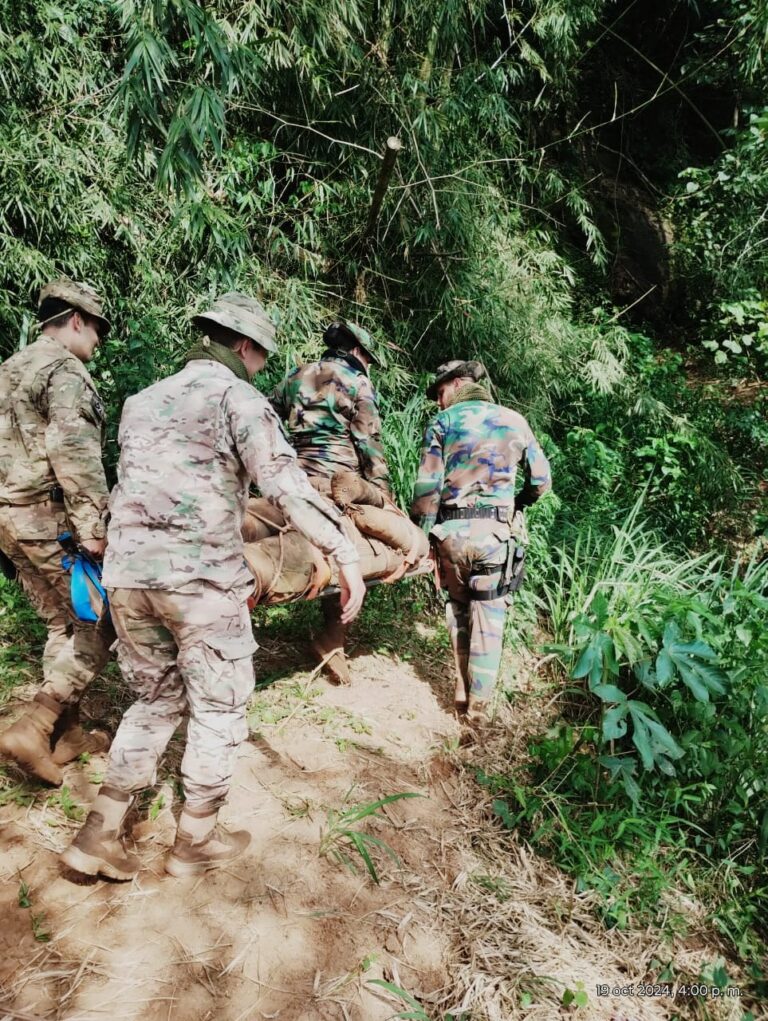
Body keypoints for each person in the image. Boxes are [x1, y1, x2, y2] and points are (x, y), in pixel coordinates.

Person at [61, 293, 366, 882]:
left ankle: (99, 832)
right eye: (260, 358)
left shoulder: (141, 401)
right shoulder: (237, 397)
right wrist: (343, 553)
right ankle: (195, 839)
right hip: (198, 582)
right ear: (245, 346)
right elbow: (286, 485)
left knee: (156, 699)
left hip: (128, 578)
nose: (260, 369)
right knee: (220, 706)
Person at [0, 279, 113, 785]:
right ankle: (36, 724)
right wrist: (94, 528)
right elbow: (75, 453)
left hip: (7, 519)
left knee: (60, 624)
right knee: (100, 620)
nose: (97, 344)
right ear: (74, 321)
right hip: (49, 523)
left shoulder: (10, 368)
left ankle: (65, 735)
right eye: (96, 331)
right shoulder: (65, 372)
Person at [411, 360, 551, 722]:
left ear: (457, 384)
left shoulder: (443, 423)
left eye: (441, 393)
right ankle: (478, 711)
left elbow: (427, 490)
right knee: (489, 620)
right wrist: (518, 504)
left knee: (458, 611)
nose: (439, 403)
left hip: (451, 537)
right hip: (495, 537)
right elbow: (541, 480)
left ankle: (460, 690)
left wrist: (421, 537)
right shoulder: (514, 420)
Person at [271, 320, 391, 684]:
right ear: (357, 352)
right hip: (336, 480)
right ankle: (332, 640)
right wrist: (380, 489)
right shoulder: (357, 382)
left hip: (291, 479)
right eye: (368, 358)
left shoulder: (295, 375)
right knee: (346, 548)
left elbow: (266, 415)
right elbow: (368, 439)